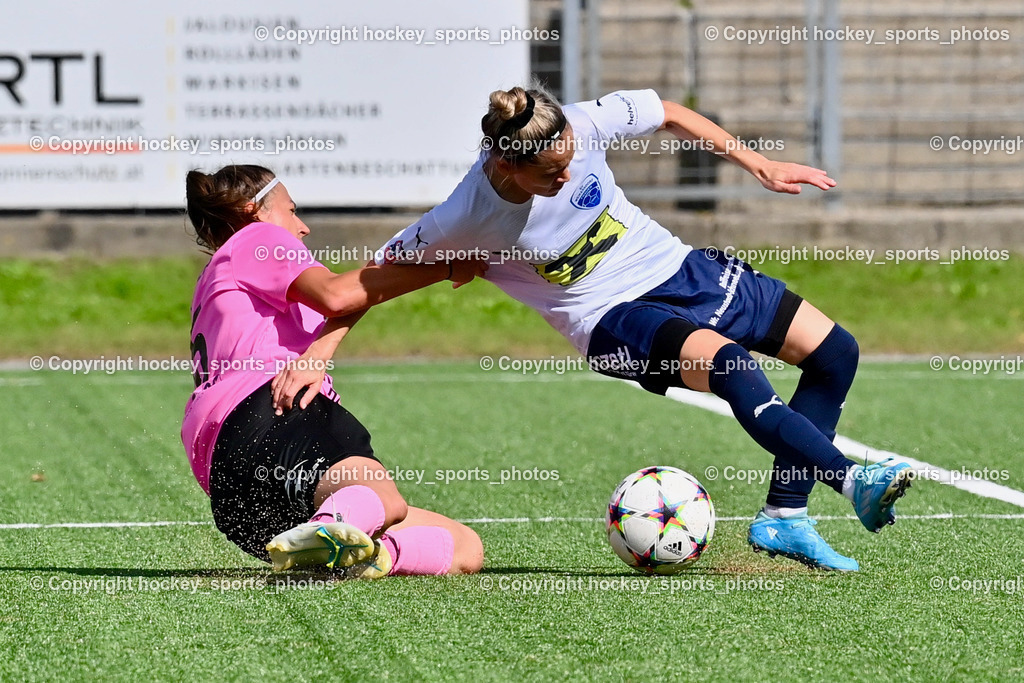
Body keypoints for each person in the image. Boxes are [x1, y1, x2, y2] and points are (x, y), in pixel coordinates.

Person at [375, 85, 914, 572]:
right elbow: (377, 273)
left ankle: (785, 518)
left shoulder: (579, 126)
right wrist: (447, 263)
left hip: (679, 270)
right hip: (610, 318)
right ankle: (850, 480)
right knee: (730, 366)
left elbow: (669, 114)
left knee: (835, 353)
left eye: (570, 160)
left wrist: (757, 163)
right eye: (550, 174)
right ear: (507, 166)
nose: (567, 176)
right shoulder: (465, 215)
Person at [182, 164, 485, 577]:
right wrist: (445, 268)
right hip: (274, 410)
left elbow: (348, 297)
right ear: (254, 209)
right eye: (291, 210)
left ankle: (365, 553)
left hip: (230, 489)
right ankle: (328, 530)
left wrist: (320, 351)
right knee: (383, 497)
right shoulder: (257, 237)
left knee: (464, 548)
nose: (302, 227)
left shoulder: (217, 275)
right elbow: (336, 295)